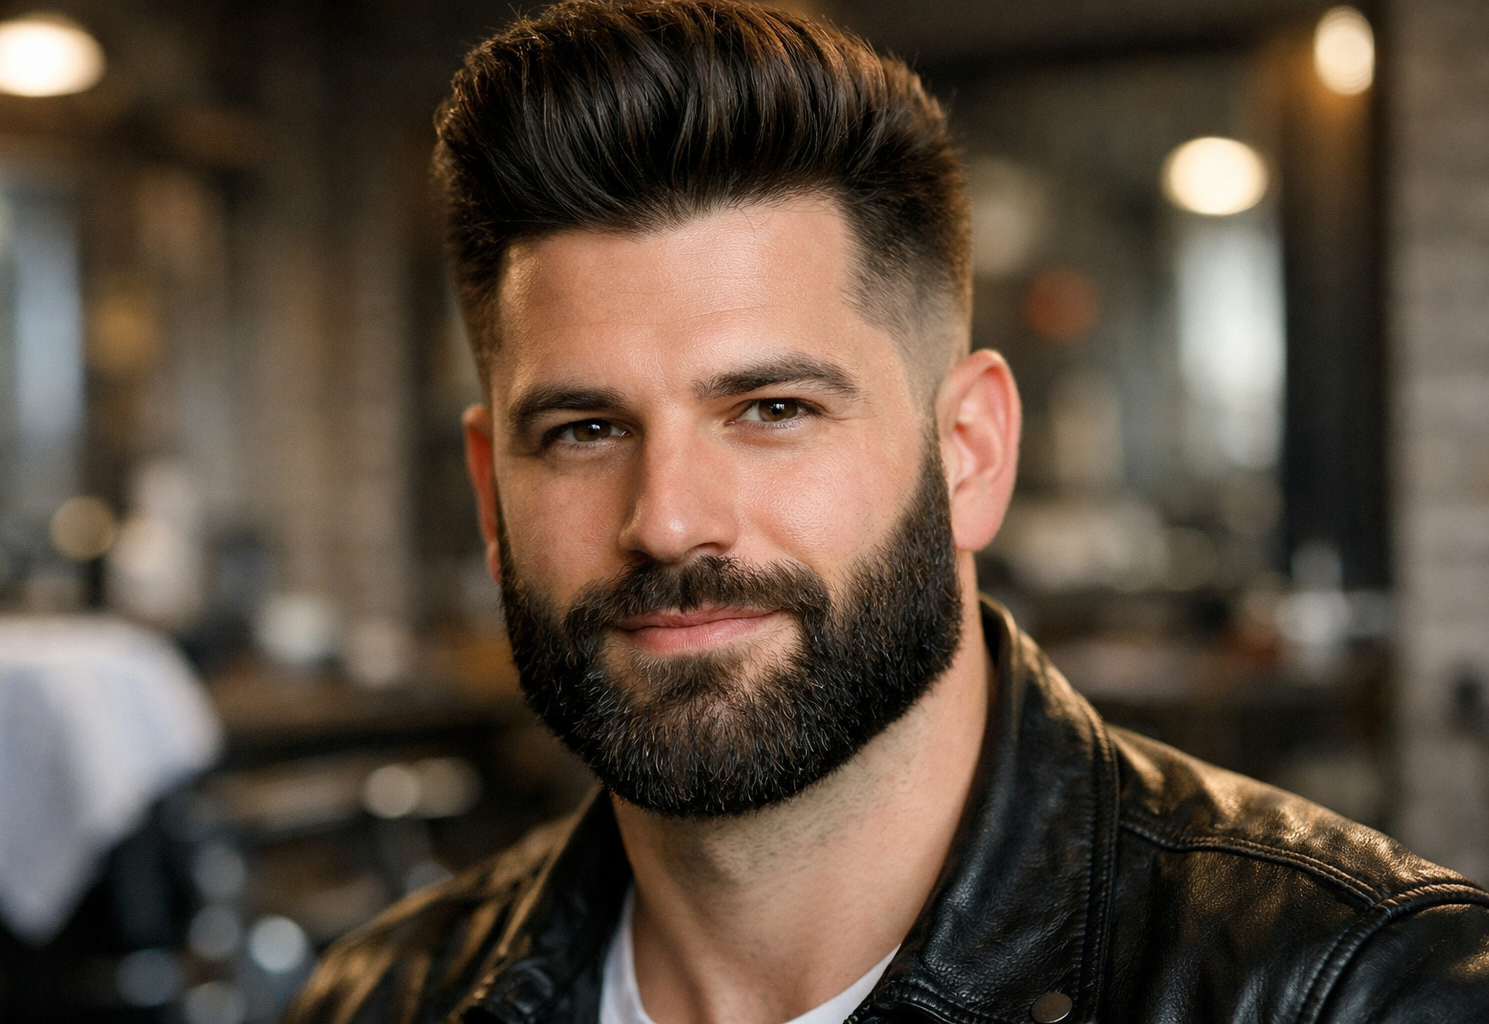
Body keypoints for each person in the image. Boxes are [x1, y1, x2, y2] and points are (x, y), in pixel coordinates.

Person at [287, 2, 1489, 1022]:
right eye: (584, 431)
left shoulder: (1358, 985)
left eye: (768, 408)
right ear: (492, 493)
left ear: (968, 452)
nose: (667, 521)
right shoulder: (384, 994)